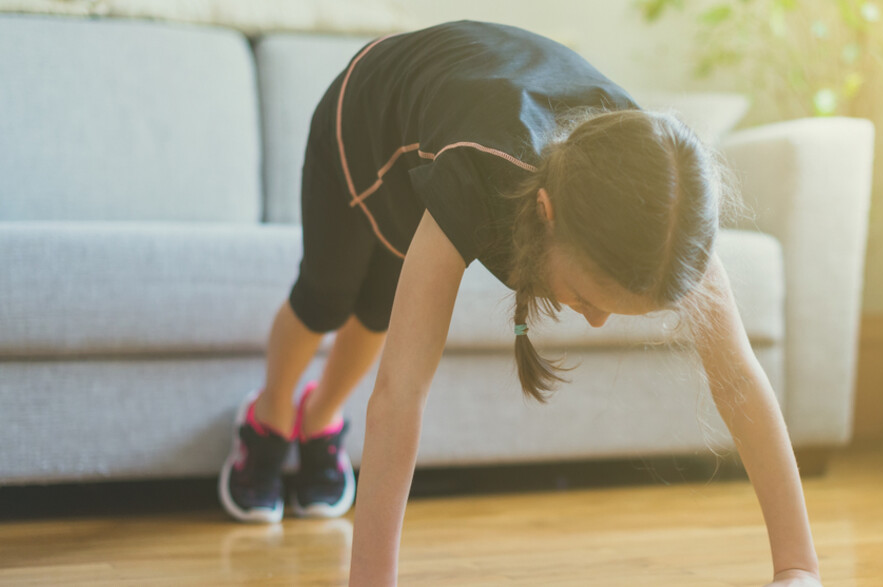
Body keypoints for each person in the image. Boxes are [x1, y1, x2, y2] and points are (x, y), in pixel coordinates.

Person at [217, 19, 823, 587]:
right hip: (367, 122)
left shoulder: (668, 216)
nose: (595, 319)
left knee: (378, 307)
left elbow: (739, 379)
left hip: (444, 118)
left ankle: (319, 420)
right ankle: (268, 418)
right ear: (545, 215)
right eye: (587, 297)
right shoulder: (475, 177)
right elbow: (400, 393)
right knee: (327, 298)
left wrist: (798, 568)